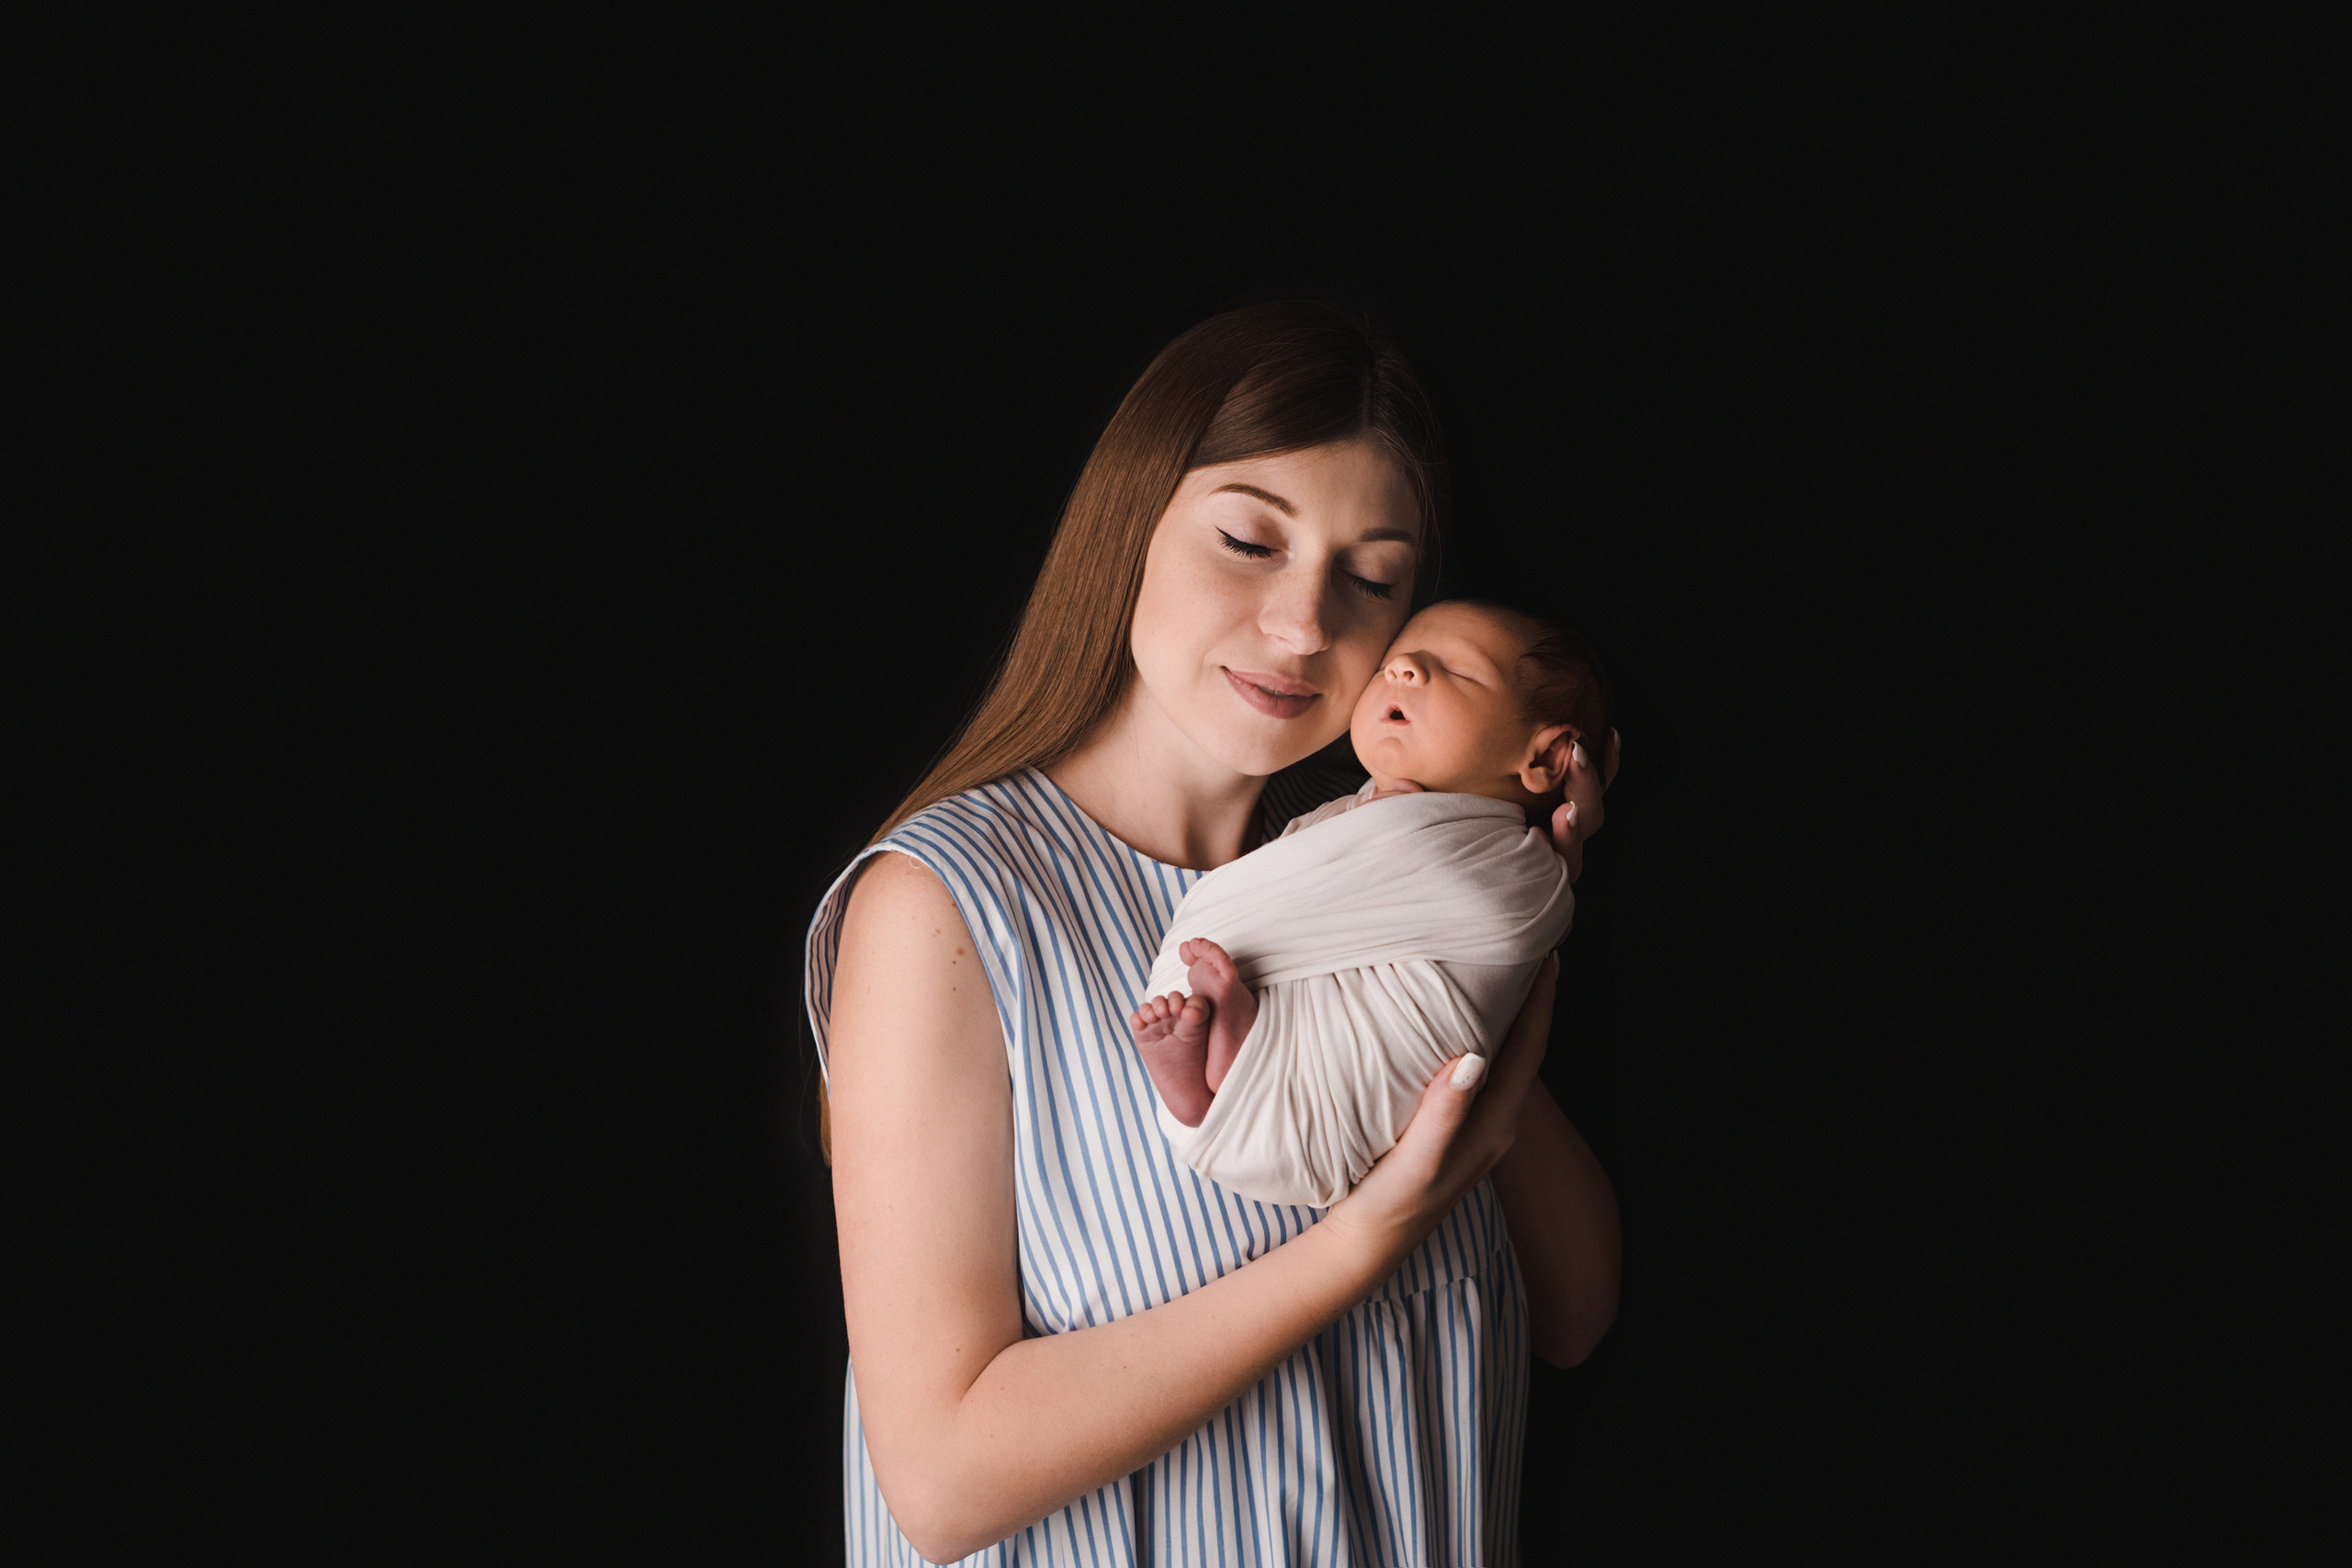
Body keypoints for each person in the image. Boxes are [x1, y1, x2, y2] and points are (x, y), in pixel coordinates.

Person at [806, 302, 1622, 1564]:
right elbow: (941, 1479)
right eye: (1249, 540)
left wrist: (1498, 920)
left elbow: (1573, 1310)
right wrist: (1359, 1241)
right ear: (1129, 525)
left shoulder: (1376, 900)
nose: (1304, 625)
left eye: (1372, 578)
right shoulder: (949, 908)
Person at [1129, 599, 1613, 1211]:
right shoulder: (1349, 809)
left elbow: (1497, 910)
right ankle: (1212, 1073)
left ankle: (1221, 1063)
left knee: (1317, 1039)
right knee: (1286, 1016)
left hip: (1331, 1111)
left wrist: (1550, 877)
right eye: (1393, 660)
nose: (1403, 667)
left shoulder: (1511, 863)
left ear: (1541, 758)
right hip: (1288, 1104)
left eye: (1458, 670)